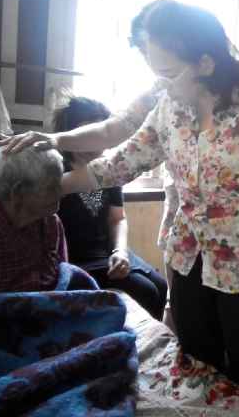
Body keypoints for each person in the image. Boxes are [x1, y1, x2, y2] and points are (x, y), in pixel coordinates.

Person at [29, 0, 239, 415]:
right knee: (197, 366)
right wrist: (53, 183)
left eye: (170, 72)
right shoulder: (169, 107)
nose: (161, 83)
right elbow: (119, 161)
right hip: (189, 258)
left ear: (206, 62)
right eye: (155, 71)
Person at [53, 95, 168, 319]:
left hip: (107, 251)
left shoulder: (108, 170)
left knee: (161, 286)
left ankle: (145, 338)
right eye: (88, 131)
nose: (95, 141)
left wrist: (120, 251)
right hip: (75, 258)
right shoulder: (56, 170)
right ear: (72, 132)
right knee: (146, 292)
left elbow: (118, 219)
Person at [0, 147, 67, 293]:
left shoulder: (51, 222)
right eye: (51, 188)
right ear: (18, 192)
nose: (61, 193)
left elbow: (63, 280)